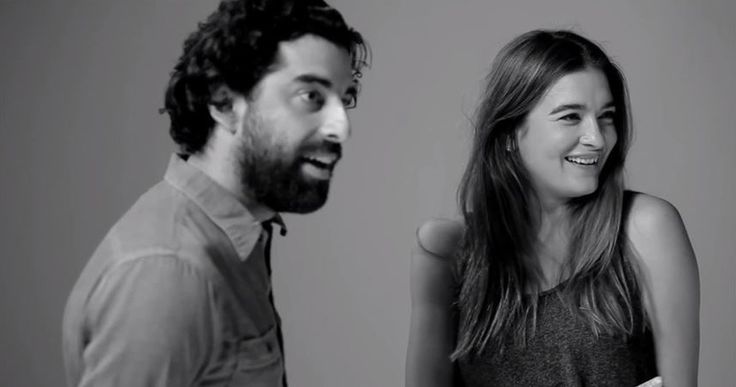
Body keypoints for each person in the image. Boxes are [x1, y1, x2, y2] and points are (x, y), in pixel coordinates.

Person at [62, 0, 368, 385]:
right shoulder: (167, 274)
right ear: (224, 104)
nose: (340, 128)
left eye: (346, 99)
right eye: (311, 97)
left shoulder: (236, 237)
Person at [406, 30, 699, 387]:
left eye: (606, 116)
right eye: (570, 117)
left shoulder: (646, 228)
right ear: (511, 134)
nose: (597, 137)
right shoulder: (447, 250)